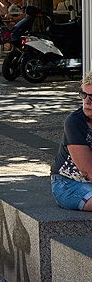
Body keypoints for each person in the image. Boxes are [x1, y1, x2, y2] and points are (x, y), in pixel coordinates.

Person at [51, 71, 92, 211]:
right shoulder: (75, 122)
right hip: (67, 183)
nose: (86, 101)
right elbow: (87, 170)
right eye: (84, 95)